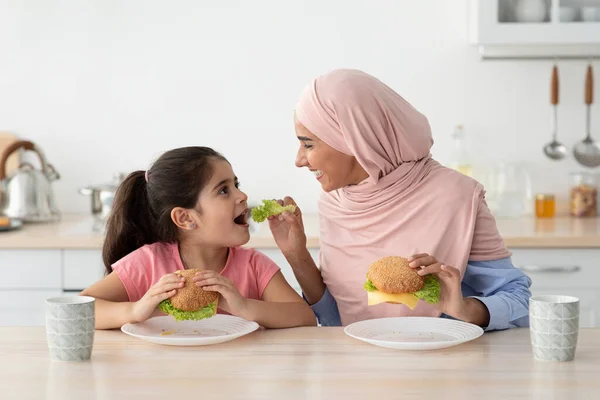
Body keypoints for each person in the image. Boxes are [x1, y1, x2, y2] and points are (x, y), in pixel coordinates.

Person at [268, 69, 532, 330]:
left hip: (442, 363)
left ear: (352, 138)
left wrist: (466, 309)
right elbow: (334, 319)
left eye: (308, 145)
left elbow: (520, 302)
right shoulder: (334, 201)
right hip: (353, 364)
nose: (299, 160)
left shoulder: (457, 196)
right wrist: (297, 256)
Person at [81, 146, 316, 329]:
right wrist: (135, 310)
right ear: (185, 218)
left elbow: (304, 317)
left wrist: (244, 307)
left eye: (236, 184)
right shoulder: (149, 262)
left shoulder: (253, 265)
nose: (242, 195)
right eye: (224, 190)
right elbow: (81, 310)